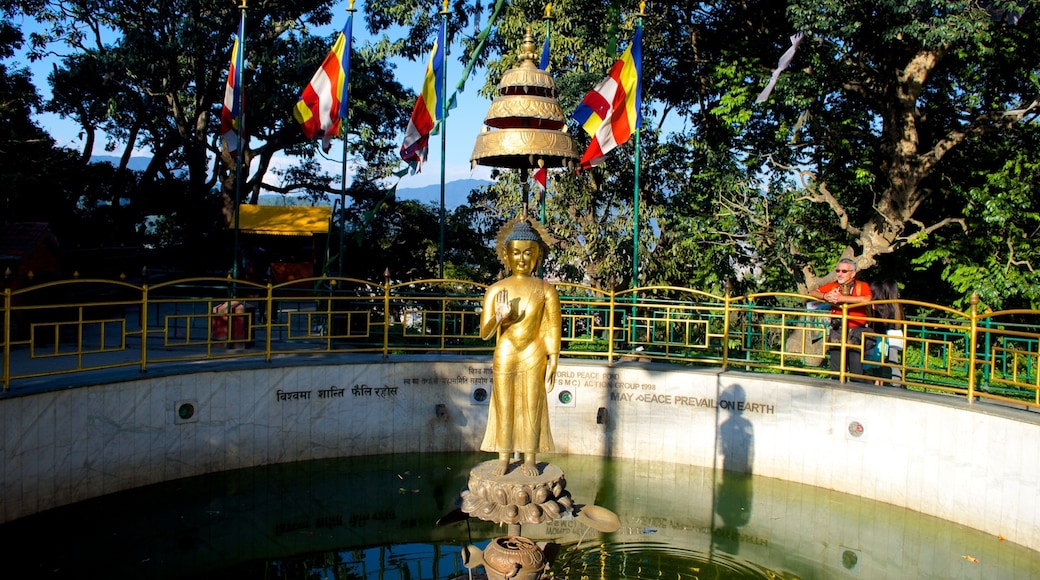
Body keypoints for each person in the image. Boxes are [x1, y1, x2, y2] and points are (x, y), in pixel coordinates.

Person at [479, 219, 562, 477]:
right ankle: (503, 456)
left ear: (538, 255)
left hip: (534, 353)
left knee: (532, 405)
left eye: (529, 253)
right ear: (506, 254)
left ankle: (529, 458)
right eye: (516, 252)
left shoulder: (545, 290)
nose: (522, 259)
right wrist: (499, 317)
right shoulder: (496, 290)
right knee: (504, 405)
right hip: (506, 352)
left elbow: (551, 327)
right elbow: (484, 333)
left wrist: (554, 360)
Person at [809, 258, 873, 378]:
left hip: (856, 331)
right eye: (838, 270)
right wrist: (825, 296)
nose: (839, 273)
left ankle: (856, 390)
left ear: (853, 273)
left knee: (855, 369)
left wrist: (842, 299)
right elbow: (812, 292)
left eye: (844, 271)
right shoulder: (834, 285)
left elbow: (866, 299)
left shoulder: (861, 285)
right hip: (837, 330)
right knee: (836, 369)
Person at [865, 279, 905, 385]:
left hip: (886, 336)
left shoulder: (881, 305)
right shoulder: (897, 305)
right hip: (898, 336)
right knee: (893, 362)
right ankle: (896, 382)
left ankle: (892, 383)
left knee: (880, 362)